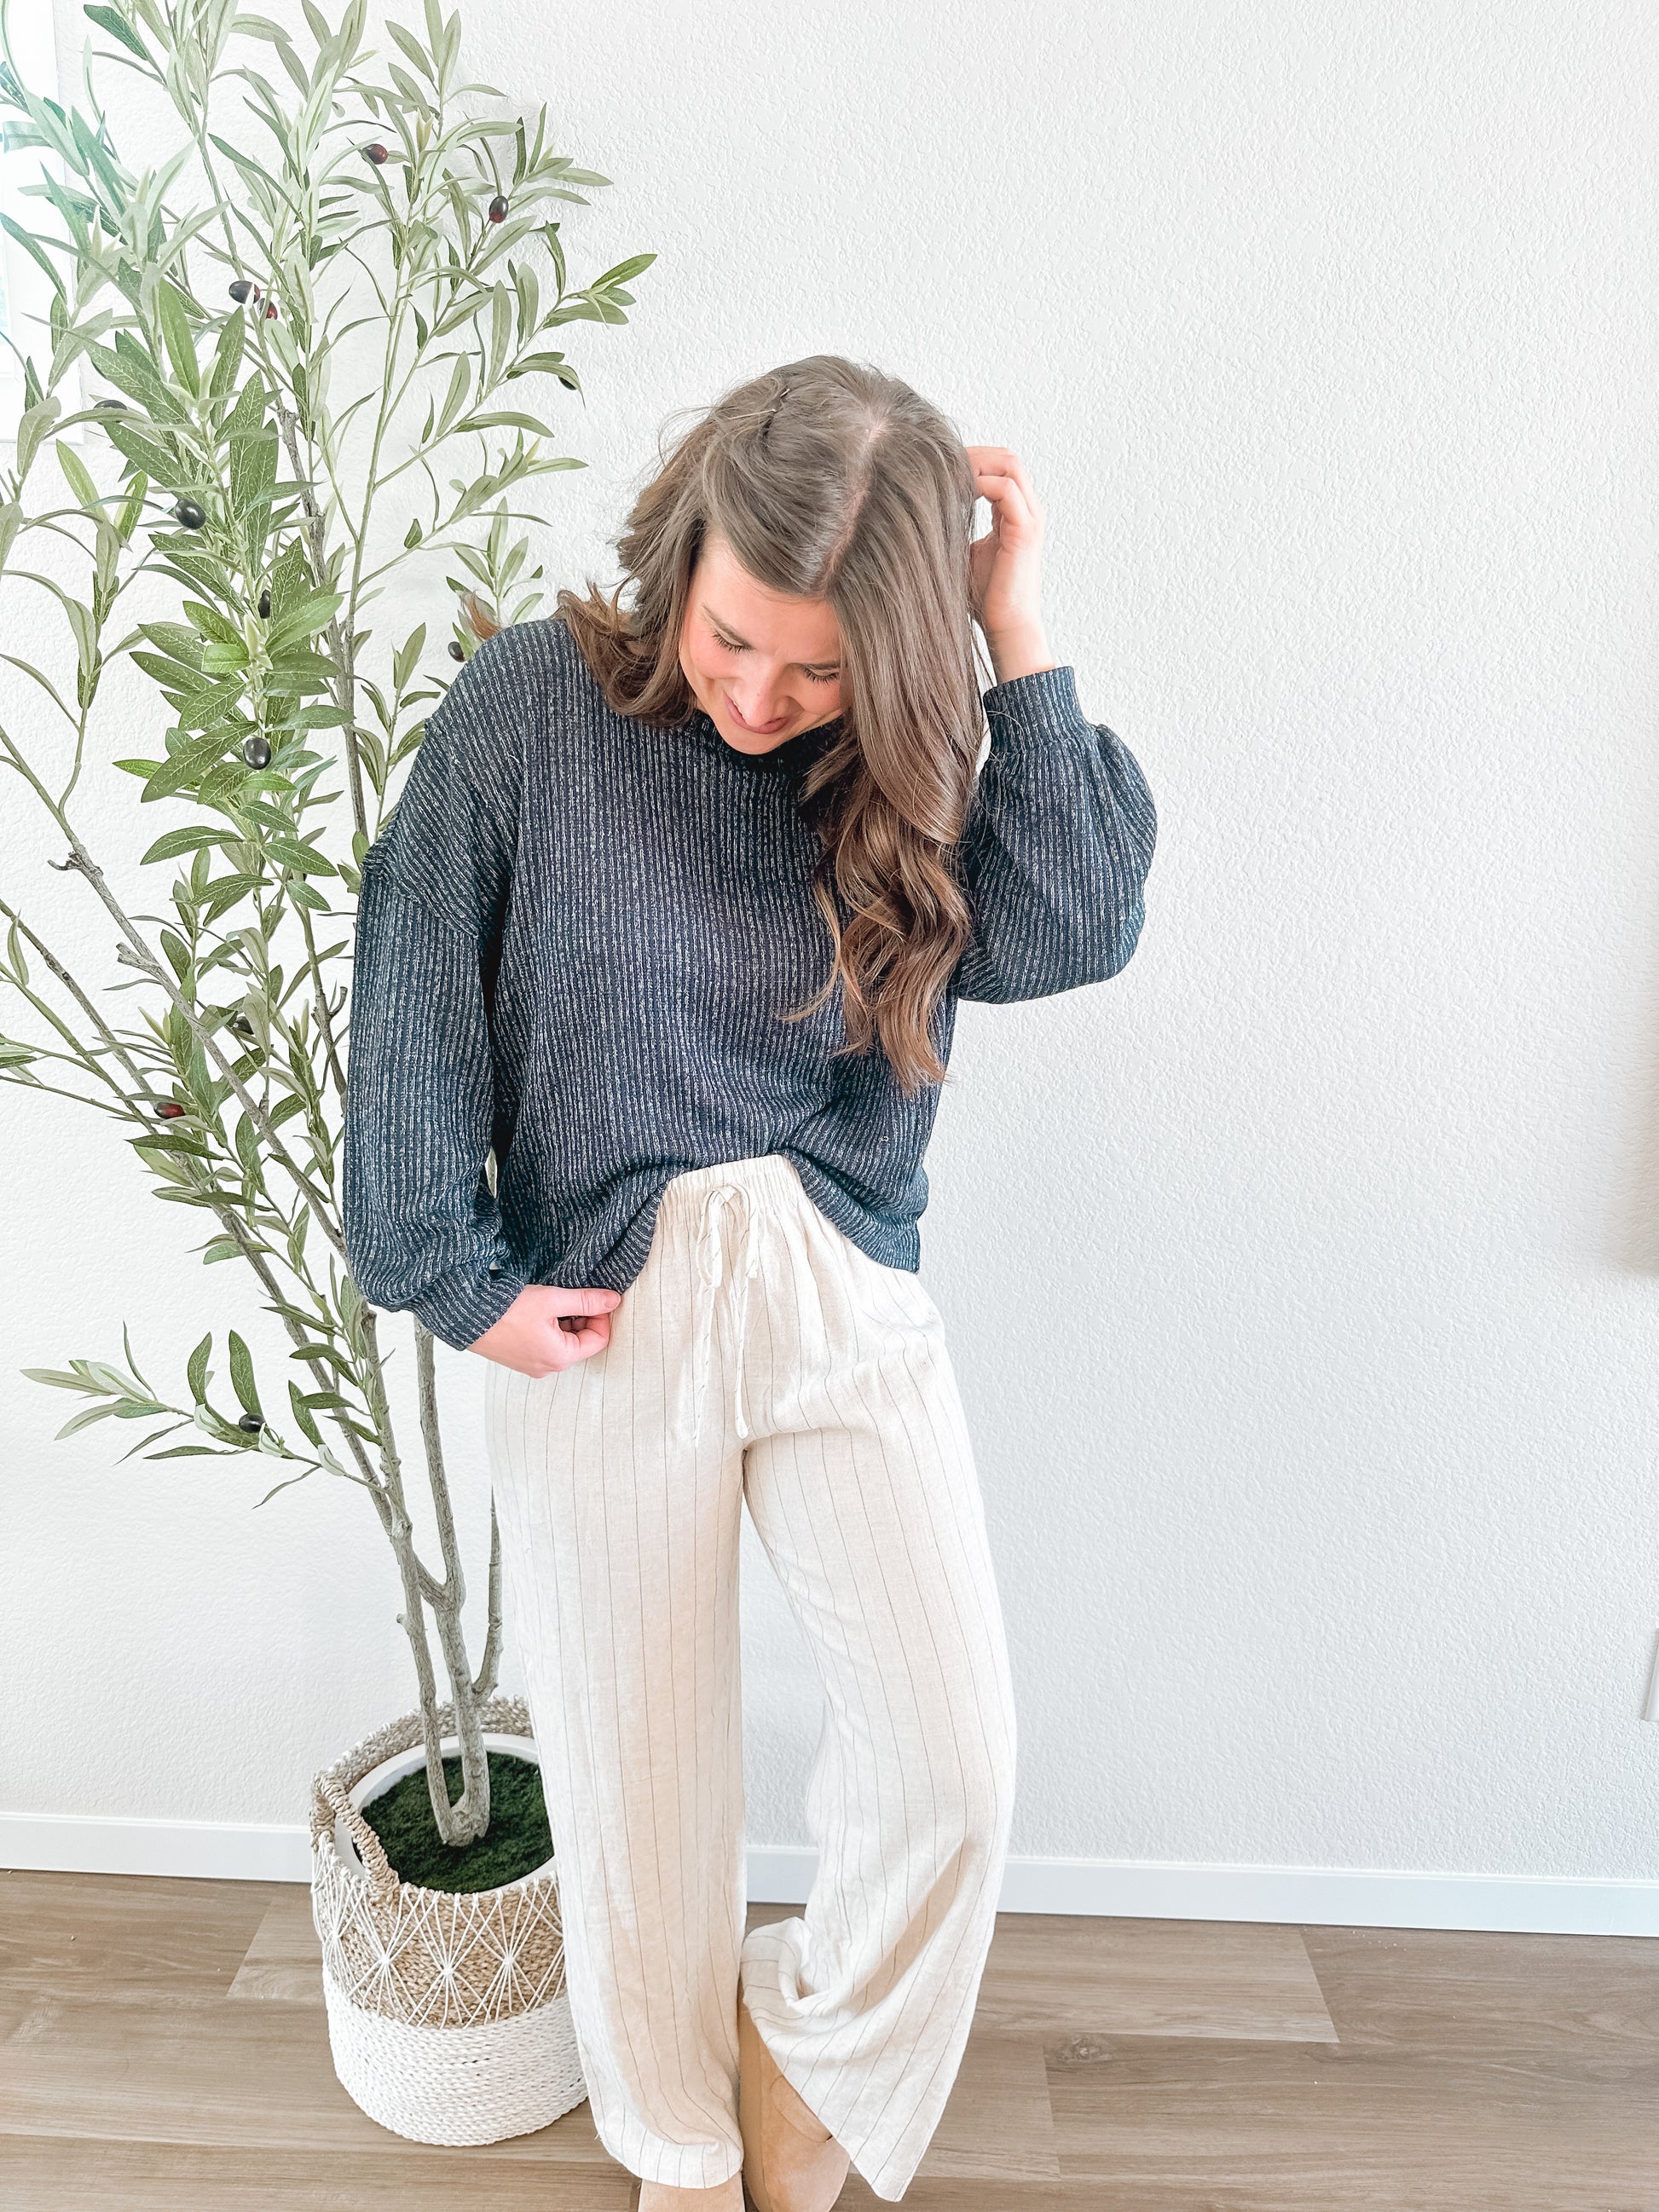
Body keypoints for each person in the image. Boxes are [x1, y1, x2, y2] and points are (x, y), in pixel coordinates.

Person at [342, 354, 1157, 2210]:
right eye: (730, 636)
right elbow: (413, 954)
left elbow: (1069, 925)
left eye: (818, 668)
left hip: (834, 1278)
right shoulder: (532, 706)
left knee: (953, 1766)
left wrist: (1012, 632)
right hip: (601, 1305)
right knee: (638, 1790)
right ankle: (678, 2153)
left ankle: (804, 2051)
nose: (759, 694)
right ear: (684, 549)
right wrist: (449, 1274)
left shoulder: (901, 755)